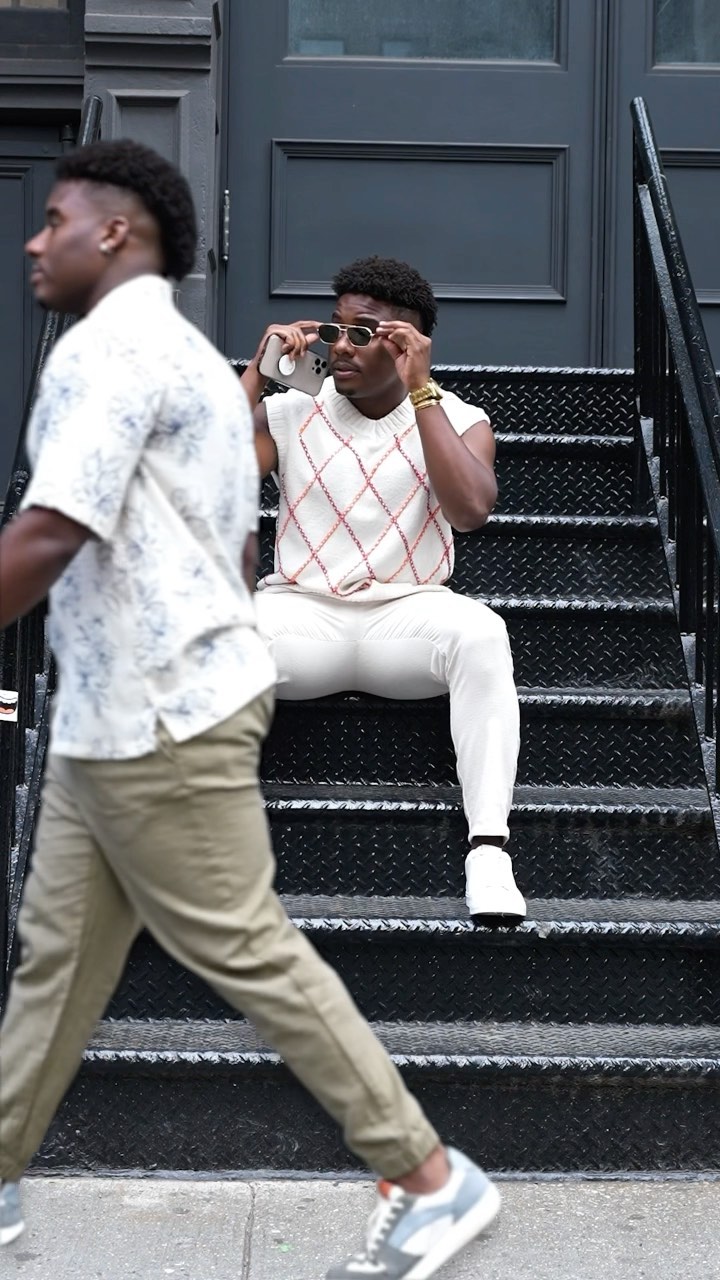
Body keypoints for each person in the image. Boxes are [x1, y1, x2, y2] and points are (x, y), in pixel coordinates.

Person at [0, 140, 501, 1279]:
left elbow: (52, 529)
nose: (34, 235)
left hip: (175, 697)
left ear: (116, 233)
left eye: (58, 217)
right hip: (119, 698)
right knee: (60, 956)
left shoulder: (126, 359)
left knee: (244, 945)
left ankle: (429, 1175)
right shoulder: (210, 379)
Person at [241, 256, 525, 924]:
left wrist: (422, 391)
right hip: (301, 617)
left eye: (362, 334)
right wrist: (258, 372)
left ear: (406, 345)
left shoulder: (460, 418)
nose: (340, 346)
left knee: (483, 633)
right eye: (334, 329)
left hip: (407, 618)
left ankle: (488, 852)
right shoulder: (292, 409)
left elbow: (470, 511)